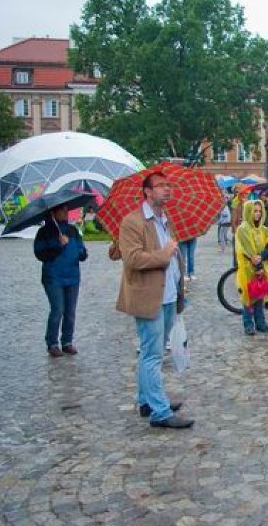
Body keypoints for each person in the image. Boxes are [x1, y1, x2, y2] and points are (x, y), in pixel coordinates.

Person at [116, 171, 193, 429]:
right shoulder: (133, 222)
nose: (167, 189)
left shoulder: (164, 219)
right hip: (148, 297)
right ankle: (159, 412)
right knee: (153, 354)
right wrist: (164, 254)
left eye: (168, 185)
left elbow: (172, 256)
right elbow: (133, 259)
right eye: (161, 186)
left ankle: (146, 400)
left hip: (169, 294)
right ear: (147, 192)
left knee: (155, 351)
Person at [34, 205, 88, 358]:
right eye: (62, 210)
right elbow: (40, 253)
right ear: (53, 213)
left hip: (72, 276)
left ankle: (67, 342)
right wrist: (58, 245)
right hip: (53, 277)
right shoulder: (44, 232)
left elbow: (81, 250)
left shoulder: (73, 230)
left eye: (66, 209)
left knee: (70, 312)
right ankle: (52, 343)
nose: (66, 212)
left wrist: (82, 252)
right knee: (57, 310)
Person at [235, 200, 268, 335]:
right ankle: (248, 324)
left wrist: (261, 257)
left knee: (260, 294)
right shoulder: (243, 229)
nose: (257, 214)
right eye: (254, 211)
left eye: (259, 211)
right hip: (247, 268)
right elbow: (246, 249)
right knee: (248, 296)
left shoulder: (263, 229)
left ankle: (261, 323)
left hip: (261, 265)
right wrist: (256, 263)